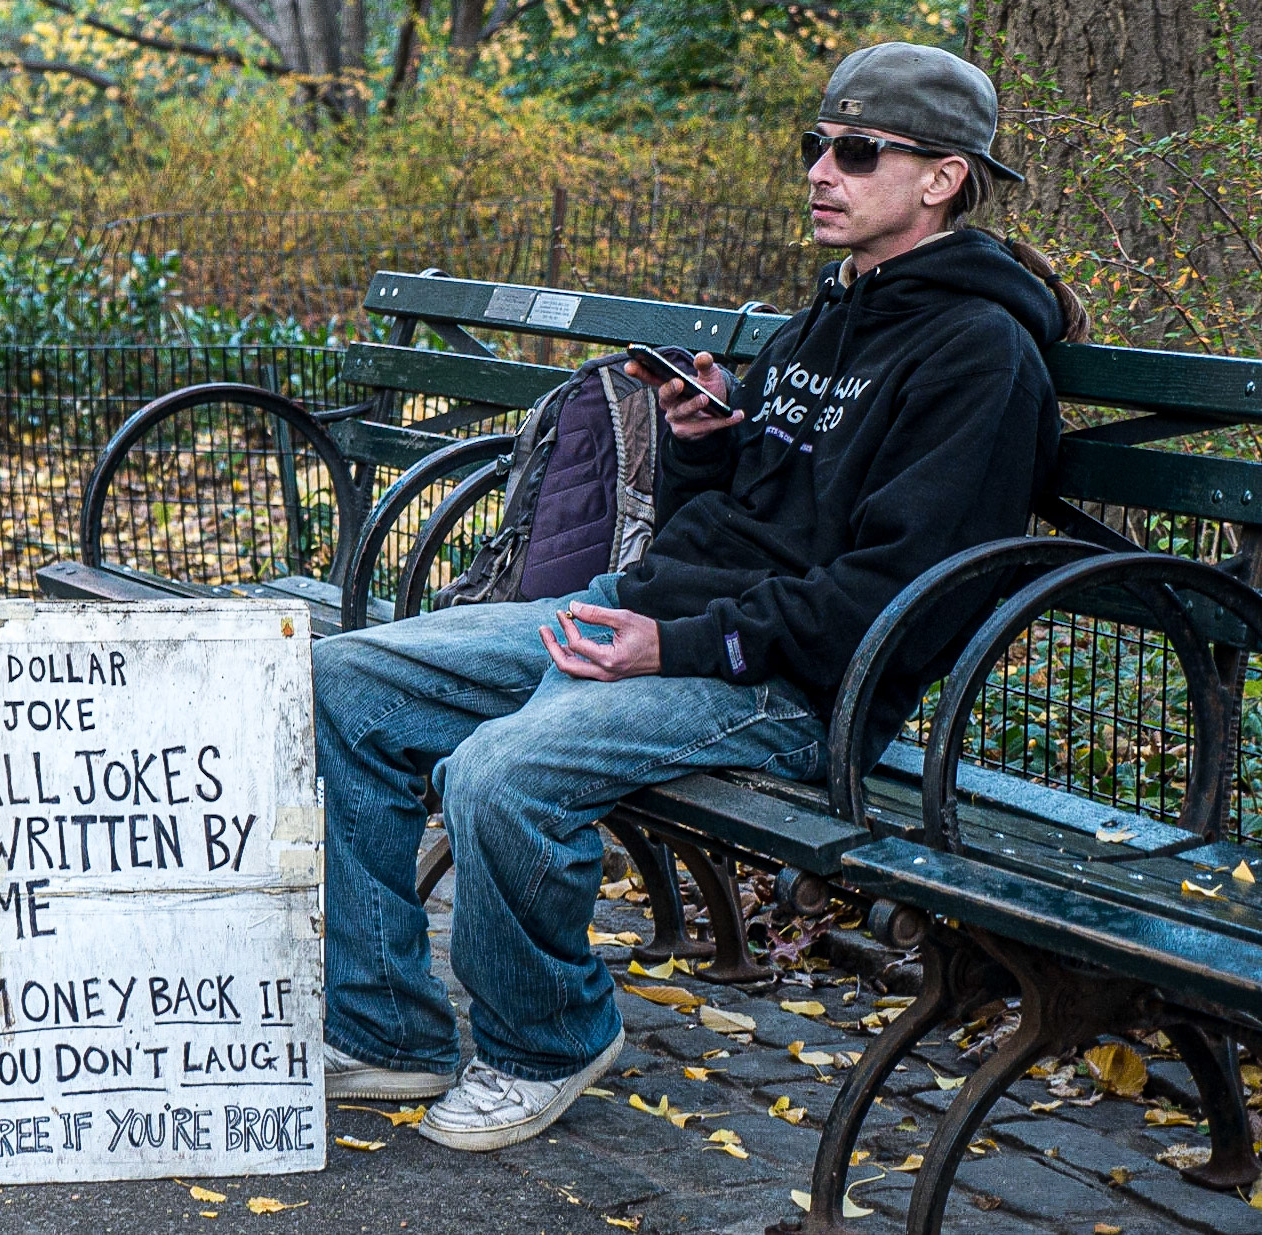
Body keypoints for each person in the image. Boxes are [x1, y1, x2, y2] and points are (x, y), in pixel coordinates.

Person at [313, 40, 1089, 1153]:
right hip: (663, 616)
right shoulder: (825, 315)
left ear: (943, 177)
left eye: (859, 152)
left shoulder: (980, 355)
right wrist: (703, 440)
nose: (823, 170)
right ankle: (389, 1026)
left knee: (502, 771)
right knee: (348, 682)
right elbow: (731, 518)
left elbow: (898, 592)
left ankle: (546, 1039)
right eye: (816, 146)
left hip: (783, 682)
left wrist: (669, 643)